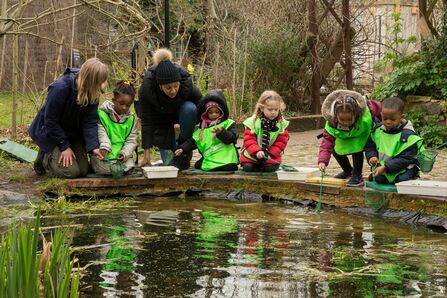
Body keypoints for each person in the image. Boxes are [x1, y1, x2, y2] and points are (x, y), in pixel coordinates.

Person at [29, 58, 108, 178]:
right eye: (98, 83)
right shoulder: (60, 88)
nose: (100, 86)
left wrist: (93, 146)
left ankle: (58, 152)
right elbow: (50, 121)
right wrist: (64, 146)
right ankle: (45, 157)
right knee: (71, 172)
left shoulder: (93, 92)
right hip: (51, 133)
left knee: (83, 171)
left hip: (73, 134)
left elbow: (90, 121)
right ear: (90, 80)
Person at [137, 48, 202, 170]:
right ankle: (172, 151)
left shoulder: (186, 84)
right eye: (168, 88)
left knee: (190, 108)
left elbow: (203, 106)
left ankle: (184, 148)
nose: (173, 91)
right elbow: (146, 121)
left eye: (175, 86)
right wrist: (146, 153)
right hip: (161, 122)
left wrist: (196, 139)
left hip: (182, 114)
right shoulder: (147, 90)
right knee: (170, 164)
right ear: (160, 86)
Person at [318, 90, 381, 187]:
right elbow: (326, 143)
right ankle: (348, 171)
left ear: (355, 114)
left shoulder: (365, 113)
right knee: (335, 149)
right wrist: (322, 161)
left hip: (360, 135)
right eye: (342, 120)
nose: (346, 122)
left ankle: (357, 175)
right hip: (343, 136)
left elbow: (380, 107)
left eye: (349, 119)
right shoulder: (332, 124)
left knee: (357, 149)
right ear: (335, 116)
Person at [175, 90, 239, 171]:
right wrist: (182, 149)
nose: (214, 114)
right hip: (210, 157)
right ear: (206, 113)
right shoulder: (201, 130)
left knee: (201, 165)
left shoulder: (229, 123)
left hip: (227, 158)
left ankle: (219, 165)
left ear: (221, 112)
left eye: (217, 112)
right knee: (197, 165)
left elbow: (232, 138)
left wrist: (222, 133)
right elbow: (192, 142)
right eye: (211, 112)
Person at [364, 97, 422, 184]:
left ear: (401, 117)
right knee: (378, 179)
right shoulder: (377, 130)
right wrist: (372, 156)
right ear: (381, 115)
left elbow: (406, 158)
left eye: (393, 119)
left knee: (401, 180)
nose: (388, 122)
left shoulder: (408, 135)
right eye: (385, 118)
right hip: (384, 166)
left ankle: (414, 172)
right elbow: (370, 146)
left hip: (404, 166)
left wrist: (386, 167)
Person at [90, 80, 138, 175]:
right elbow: (101, 133)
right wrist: (105, 148)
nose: (124, 107)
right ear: (113, 100)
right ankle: (114, 169)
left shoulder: (131, 119)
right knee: (104, 168)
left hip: (120, 158)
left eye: (128, 105)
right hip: (103, 154)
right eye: (121, 104)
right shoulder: (102, 114)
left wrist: (124, 153)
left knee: (130, 164)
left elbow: (132, 140)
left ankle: (117, 169)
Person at [240, 90, 289, 172]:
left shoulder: (281, 124)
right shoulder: (253, 122)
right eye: (270, 109)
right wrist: (257, 151)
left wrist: (270, 154)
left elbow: (281, 143)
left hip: (270, 156)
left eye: (276, 109)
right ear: (262, 108)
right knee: (248, 167)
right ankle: (256, 166)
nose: (273, 112)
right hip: (252, 155)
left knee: (269, 168)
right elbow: (249, 140)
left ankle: (263, 166)